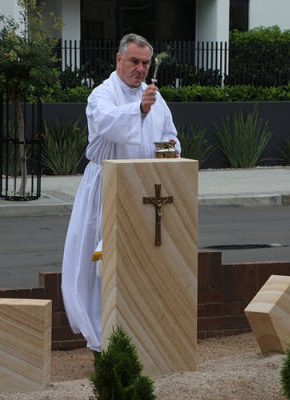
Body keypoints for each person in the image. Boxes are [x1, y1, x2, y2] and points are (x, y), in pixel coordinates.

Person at [61, 33, 180, 351]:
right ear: (118, 60)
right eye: (134, 61)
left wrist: (171, 148)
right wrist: (139, 110)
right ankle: (105, 343)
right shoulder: (103, 94)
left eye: (145, 63)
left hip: (144, 190)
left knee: (142, 263)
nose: (140, 69)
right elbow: (106, 124)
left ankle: (139, 334)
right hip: (107, 190)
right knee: (103, 268)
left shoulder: (153, 96)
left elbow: (169, 132)